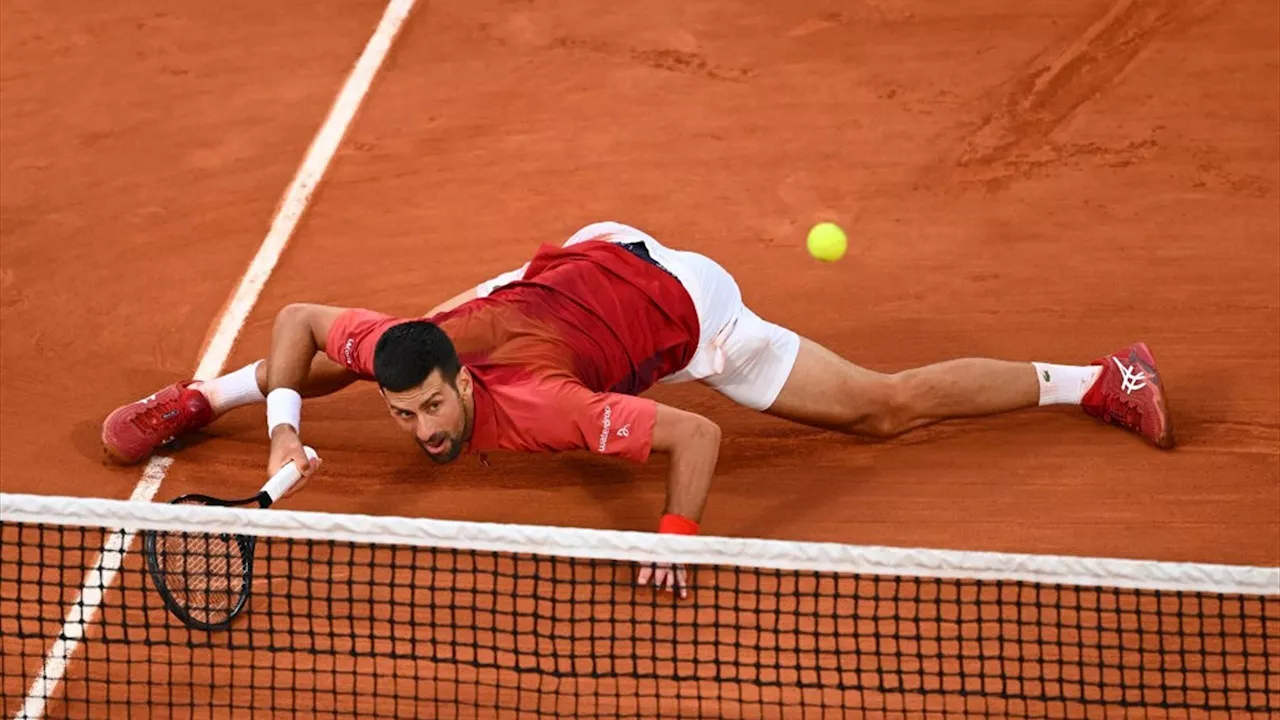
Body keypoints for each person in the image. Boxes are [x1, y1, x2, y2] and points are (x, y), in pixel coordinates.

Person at [101, 221, 1174, 595]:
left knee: (879, 409)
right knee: (382, 339)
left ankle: (1099, 379)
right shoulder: (413, 360)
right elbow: (295, 313)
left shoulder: (556, 412)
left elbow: (695, 431)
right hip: (585, 253)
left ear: (472, 391)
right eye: (411, 415)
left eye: (434, 410)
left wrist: (675, 534)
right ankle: (199, 399)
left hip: (685, 308)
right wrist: (282, 416)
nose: (426, 430)